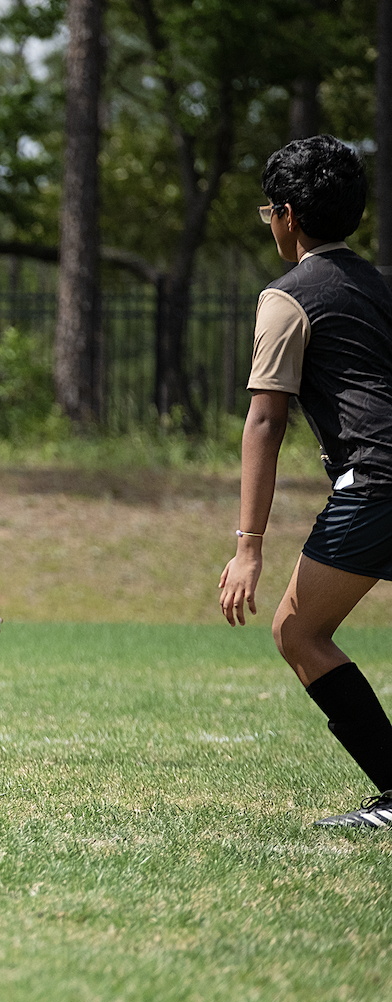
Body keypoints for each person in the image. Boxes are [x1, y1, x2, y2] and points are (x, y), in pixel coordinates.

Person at [219, 135, 392, 828]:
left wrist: (248, 545)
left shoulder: (288, 298)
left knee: (298, 631)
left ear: (288, 215)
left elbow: (265, 422)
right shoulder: (380, 284)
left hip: (376, 479)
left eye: (269, 214)